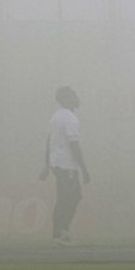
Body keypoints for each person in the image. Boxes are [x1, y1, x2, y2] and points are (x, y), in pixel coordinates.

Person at [40, 86, 90, 245]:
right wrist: (84, 168)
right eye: (73, 95)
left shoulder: (55, 117)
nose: (77, 98)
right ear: (66, 99)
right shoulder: (69, 118)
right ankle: (59, 232)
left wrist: (47, 165)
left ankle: (61, 230)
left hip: (57, 162)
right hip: (66, 164)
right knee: (67, 197)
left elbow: (49, 141)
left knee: (71, 196)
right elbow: (74, 144)